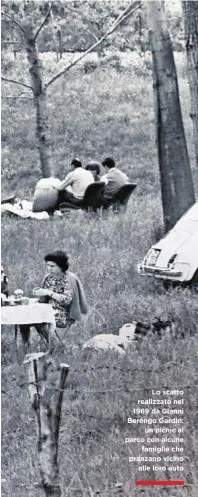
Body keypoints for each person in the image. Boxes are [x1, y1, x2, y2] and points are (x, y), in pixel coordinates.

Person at [33, 251, 88, 346]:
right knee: (33, 316)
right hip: (49, 309)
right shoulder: (48, 278)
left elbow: (67, 300)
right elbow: (44, 298)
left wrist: (49, 293)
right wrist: (39, 292)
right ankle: (53, 344)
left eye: (52, 266)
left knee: (44, 318)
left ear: (61, 266)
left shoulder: (69, 279)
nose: (49, 268)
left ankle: (55, 346)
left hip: (65, 313)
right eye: (47, 265)